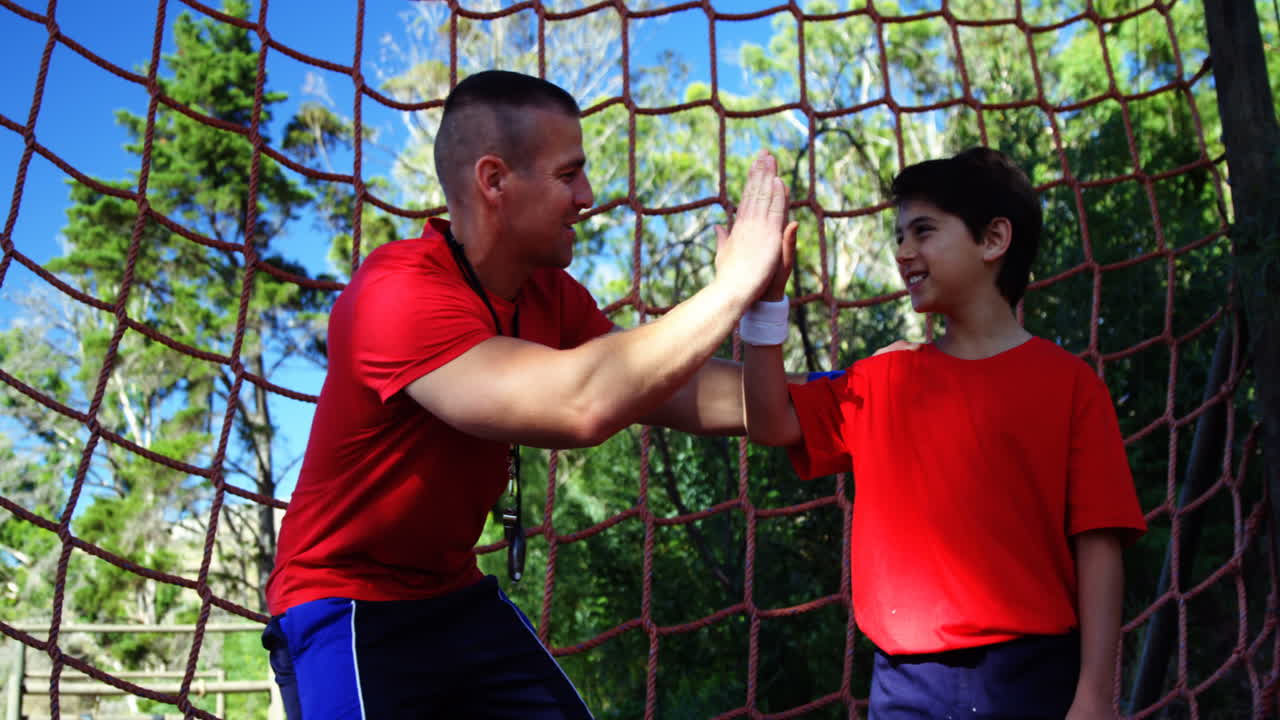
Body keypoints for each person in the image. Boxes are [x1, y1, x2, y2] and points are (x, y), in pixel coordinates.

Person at [260, 70, 794, 719]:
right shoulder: (394, 295)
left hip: (452, 595)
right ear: (494, 181)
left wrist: (780, 329)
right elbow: (581, 403)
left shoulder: (552, 299)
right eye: (570, 175)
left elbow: (707, 399)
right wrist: (730, 288)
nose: (589, 196)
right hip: (344, 603)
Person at [742, 147, 1147, 719]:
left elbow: (1100, 548)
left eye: (924, 231)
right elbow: (769, 420)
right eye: (900, 235)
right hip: (906, 685)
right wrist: (764, 303)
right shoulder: (881, 379)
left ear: (992, 240)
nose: (904, 252)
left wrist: (1096, 694)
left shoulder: (1072, 386)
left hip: (1034, 678)